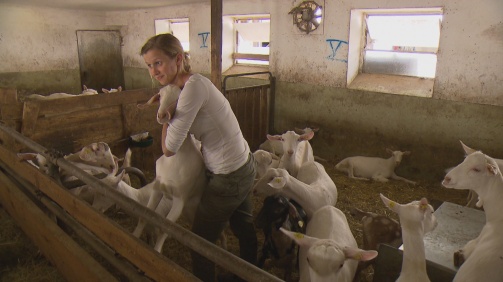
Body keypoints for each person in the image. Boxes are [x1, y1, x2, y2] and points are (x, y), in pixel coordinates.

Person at [140, 33, 257, 282]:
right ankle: (251, 273)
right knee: (243, 226)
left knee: (199, 241)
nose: (153, 71)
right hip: (243, 163)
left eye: (158, 63)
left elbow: (169, 149)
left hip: (229, 175)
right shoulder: (187, 87)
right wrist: (171, 106)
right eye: (149, 65)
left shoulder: (193, 87)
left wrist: (163, 119)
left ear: (178, 59)